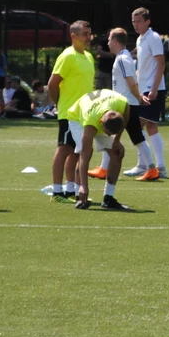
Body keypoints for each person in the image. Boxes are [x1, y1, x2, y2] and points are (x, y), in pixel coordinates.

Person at [90, 28, 152, 181]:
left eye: (110, 40)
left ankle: (151, 169)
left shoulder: (123, 59)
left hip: (125, 104)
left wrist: (138, 97)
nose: (108, 43)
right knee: (133, 136)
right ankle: (104, 168)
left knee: (117, 133)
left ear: (116, 41)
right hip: (125, 103)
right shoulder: (122, 57)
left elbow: (130, 81)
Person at [47, 21, 96, 202]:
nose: (88, 37)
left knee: (78, 151)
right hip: (69, 113)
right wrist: (60, 104)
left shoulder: (89, 57)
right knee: (64, 149)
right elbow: (53, 84)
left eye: (89, 33)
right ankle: (57, 191)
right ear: (73, 36)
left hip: (85, 113)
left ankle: (71, 189)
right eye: (84, 33)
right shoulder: (67, 56)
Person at [70, 89, 131, 210]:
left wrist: (117, 139)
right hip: (77, 118)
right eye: (107, 133)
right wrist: (84, 186)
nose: (108, 136)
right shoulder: (90, 122)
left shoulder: (122, 103)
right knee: (87, 151)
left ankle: (108, 198)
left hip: (101, 108)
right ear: (101, 123)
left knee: (118, 152)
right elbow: (84, 155)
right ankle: (79, 195)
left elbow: (126, 116)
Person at [130, 7, 168, 178]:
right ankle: (159, 167)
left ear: (147, 22)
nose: (135, 25)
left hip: (153, 88)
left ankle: (145, 164)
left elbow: (161, 63)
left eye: (138, 21)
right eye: (133, 21)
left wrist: (153, 89)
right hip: (143, 88)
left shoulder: (153, 38)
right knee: (150, 125)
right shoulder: (140, 40)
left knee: (136, 125)